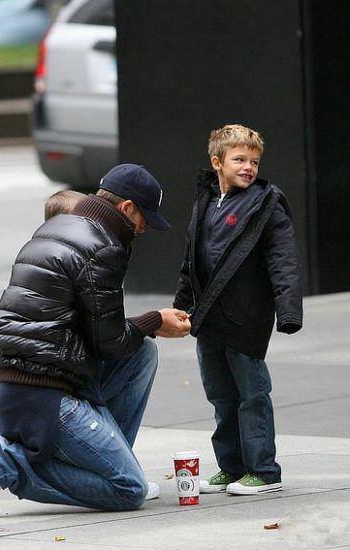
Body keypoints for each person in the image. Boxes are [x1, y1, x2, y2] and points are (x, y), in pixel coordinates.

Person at [0, 163, 190, 517]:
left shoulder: (58, 225)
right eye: (144, 217)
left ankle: (112, 461)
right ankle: (3, 461)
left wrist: (150, 327)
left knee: (143, 354)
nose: (144, 228)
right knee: (128, 489)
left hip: (17, 382)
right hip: (43, 392)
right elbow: (110, 344)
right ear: (126, 208)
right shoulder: (101, 246)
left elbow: (98, 334)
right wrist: (156, 319)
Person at [174, 124, 303, 495]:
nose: (249, 167)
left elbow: (283, 260)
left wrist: (288, 311)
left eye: (255, 161)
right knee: (220, 395)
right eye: (239, 159)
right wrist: (182, 305)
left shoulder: (267, 204)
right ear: (217, 162)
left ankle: (263, 471)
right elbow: (191, 258)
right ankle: (231, 467)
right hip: (209, 318)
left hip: (246, 317)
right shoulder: (205, 200)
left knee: (252, 395)